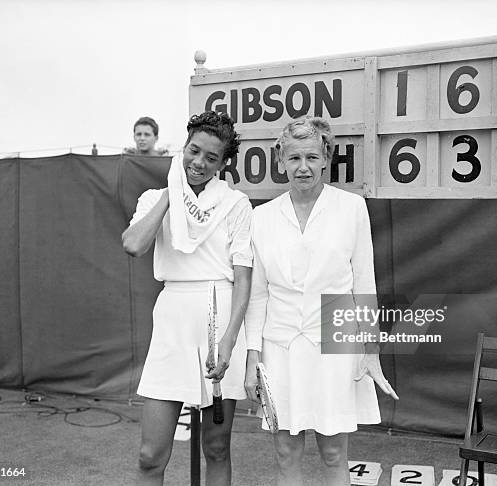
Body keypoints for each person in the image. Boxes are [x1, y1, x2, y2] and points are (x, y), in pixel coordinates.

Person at [244, 116, 398, 486]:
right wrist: (253, 358)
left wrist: (371, 350)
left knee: (333, 453)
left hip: (334, 339)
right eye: (294, 158)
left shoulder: (351, 208)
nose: (303, 167)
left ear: (326, 158)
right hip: (279, 345)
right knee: (285, 453)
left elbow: (364, 282)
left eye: (312, 157)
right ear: (280, 160)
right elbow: (258, 293)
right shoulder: (261, 217)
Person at [122, 111, 252, 486]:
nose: (199, 163)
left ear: (224, 164)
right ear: (183, 147)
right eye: (193, 151)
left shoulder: (236, 204)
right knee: (150, 455)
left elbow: (243, 280)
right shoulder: (155, 197)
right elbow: (133, 244)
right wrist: (173, 194)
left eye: (211, 158)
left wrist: (228, 343)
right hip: (173, 320)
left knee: (216, 448)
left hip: (220, 316)